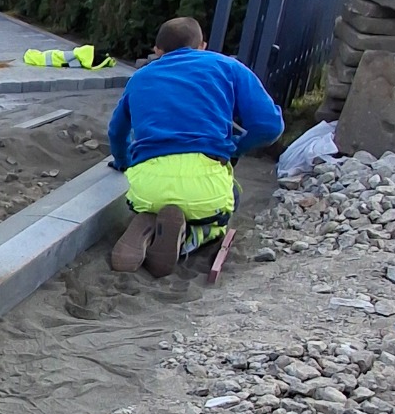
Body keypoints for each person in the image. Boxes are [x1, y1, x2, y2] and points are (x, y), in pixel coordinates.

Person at [106, 16, 283, 277]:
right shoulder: (228, 67)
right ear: (202, 45)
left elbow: (116, 132)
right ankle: (190, 237)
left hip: (147, 185)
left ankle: (148, 222)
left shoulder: (140, 77)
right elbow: (270, 126)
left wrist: (122, 161)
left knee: (154, 199)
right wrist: (236, 147)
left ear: (157, 51)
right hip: (205, 185)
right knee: (231, 198)